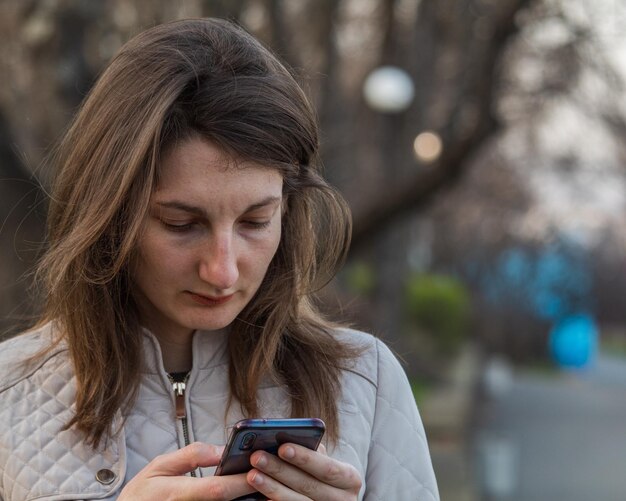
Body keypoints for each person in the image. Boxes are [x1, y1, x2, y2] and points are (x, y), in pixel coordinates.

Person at [0, 18, 439, 501]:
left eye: (255, 222)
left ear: (287, 213)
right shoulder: (8, 394)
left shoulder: (364, 383)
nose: (223, 270)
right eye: (181, 224)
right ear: (108, 214)